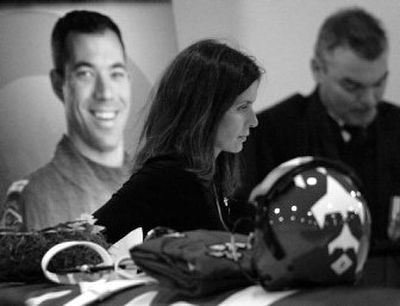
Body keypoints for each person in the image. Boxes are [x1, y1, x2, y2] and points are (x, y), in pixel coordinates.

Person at [239, 7, 400, 285]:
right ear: (317, 69)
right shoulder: (273, 131)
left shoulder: (397, 124)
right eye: (353, 86)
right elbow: (250, 231)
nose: (370, 100)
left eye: (379, 83)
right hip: (307, 286)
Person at [93, 39, 262, 244]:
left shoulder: (213, 171)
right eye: (243, 107)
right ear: (204, 109)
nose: (254, 121)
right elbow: (86, 238)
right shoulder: (166, 176)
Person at [0, 10, 132, 230]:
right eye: (85, 74)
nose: (106, 93)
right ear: (58, 84)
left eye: (116, 73)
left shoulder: (159, 183)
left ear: (128, 80)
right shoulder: (30, 198)